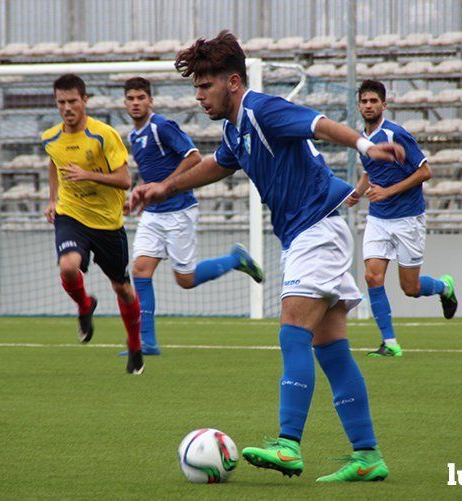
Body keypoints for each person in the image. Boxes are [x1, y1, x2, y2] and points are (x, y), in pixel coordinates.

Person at [131, 31, 404, 482]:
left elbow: (317, 123)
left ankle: (288, 444)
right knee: (331, 349)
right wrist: (166, 186)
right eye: (196, 87)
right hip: (312, 231)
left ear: (233, 81)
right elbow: (217, 164)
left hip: (316, 228)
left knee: (292, 332)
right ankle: (367, 455)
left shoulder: (262, 109)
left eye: (205, 85)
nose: (198, 96)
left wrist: (364, 147)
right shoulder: (235, 129)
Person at [123, 76, 263, 356]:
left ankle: (236, 259)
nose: (136, 103)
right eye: (131, 98)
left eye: (141, 98)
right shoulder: (133, 136)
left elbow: (193, 156)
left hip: (178, 211)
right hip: (153, 214)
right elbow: (152, 173)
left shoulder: (162, 126)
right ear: (125, 103)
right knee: (139, 270)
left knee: (184, 280)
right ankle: (146, 342)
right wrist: (140, 195)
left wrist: (167, 186)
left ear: (150, 100)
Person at [41, 73, 144, 375]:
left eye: (73, 101)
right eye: (61, 102)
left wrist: (88, 175)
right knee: (68, 266)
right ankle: (85, 306)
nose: (67, 108)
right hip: (71, 215)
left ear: (85, 100)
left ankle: (135, 346)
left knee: (122, 289)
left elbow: (125, 180)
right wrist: (52, 199)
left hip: (108, 223)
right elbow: (53, 162)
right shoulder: (51, 138)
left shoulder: (103, 135)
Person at [353, 79, 458, 358]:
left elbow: (425, 172)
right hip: (378, 219)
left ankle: (444, 287)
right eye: (364, 101)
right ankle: (390, 343)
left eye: (374, 101)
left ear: (384, 105)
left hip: (407, 219)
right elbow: (369, 171)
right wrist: (357, 193)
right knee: (372, 277)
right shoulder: (361, 139)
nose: (368, 105)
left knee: (410, 288)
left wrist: (388, 191)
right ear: (358, 105)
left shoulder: (396, 134)